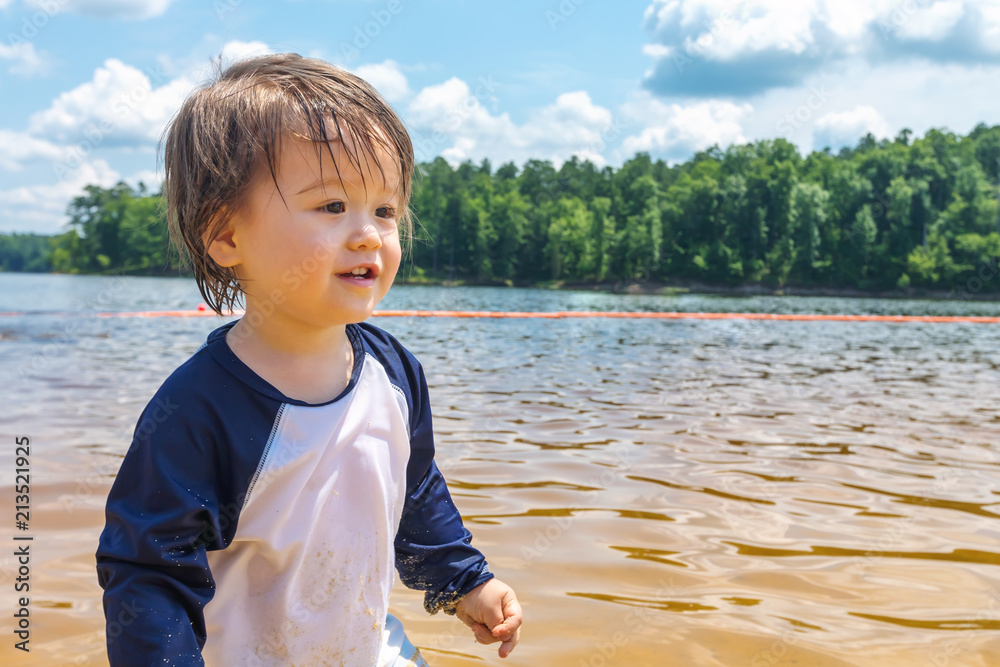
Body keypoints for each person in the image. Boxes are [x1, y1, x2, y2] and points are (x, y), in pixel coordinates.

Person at [95, 52, 522, 666]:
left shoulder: (395, 374)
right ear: (226, 236)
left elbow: (415, 492)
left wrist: (465, 582)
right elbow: (148, 571)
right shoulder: (197, 410)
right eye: (331, 207)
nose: (369, 234)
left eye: (384, 210)